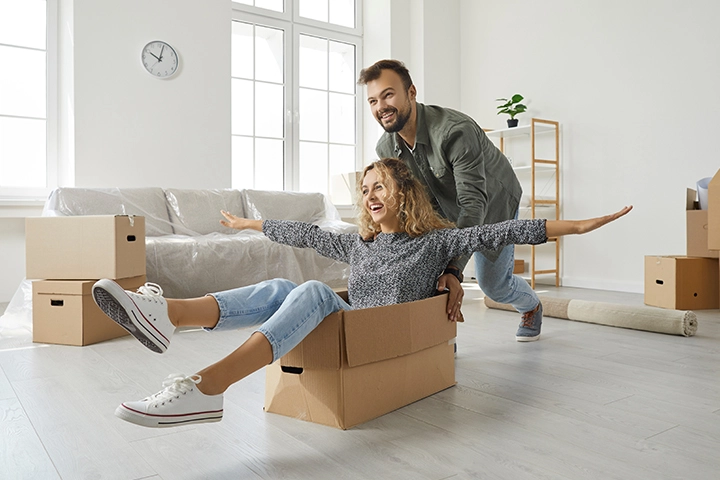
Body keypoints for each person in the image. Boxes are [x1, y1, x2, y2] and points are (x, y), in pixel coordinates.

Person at [92, 158, 631, 428]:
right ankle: (166, 314)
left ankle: (207, 387)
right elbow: (307, 234)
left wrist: (582, 226)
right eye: (365, 189)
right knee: (288, 284)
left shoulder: (439, 240)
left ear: (405, 192)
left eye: (380, 187)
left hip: (379, 337)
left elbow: (508, 231)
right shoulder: (362, 244)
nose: (369, 195)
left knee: (312, 291)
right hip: (351, 327)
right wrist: (249, 225)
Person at [358, 59, 545, 341]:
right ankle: (440, 340)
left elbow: (473, 203)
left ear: (411, 92)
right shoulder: (386, 146)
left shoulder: (456, 131)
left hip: (493, 203)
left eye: (388, 94)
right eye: (373, 100)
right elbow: (406, 201)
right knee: (427, 275)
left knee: (493, 286)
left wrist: (454, 269)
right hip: (443, 209)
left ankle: (531, 306)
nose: (380, 106)